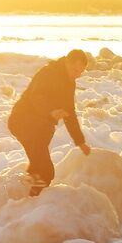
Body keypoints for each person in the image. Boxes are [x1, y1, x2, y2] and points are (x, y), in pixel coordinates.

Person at [7, 48, 93, 195]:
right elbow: (37, 96)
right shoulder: (48, 73)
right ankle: (31, 198)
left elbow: (70, 113)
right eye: (74, 70)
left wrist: (80, 141)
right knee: (45, 171)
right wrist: (51, 111)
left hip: (41, 126)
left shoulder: (69, 82)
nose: (76, 75)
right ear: (66, 62)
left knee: (38, 168)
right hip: (22, 121)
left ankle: (25, 197)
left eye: (80, 72)